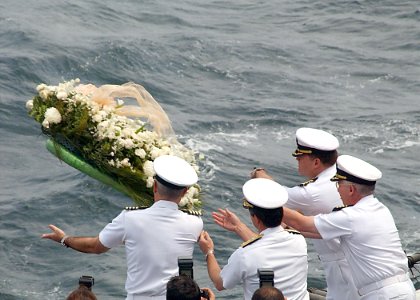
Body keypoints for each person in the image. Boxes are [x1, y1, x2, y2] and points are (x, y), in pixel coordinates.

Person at [42, 155, 204, 300]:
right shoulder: (195, 223)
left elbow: (95, 246)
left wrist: (64, 239)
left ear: (154, 186)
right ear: (185, 192)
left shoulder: (130, 219)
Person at [282, 154, 416, 300]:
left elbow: (301, 223)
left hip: (383, 295)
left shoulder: (351, 216)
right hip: (404, 289)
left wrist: (269, 203)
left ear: (351, 190)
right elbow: (315, 231)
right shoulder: (380, 209)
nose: (338, 190)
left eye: (338, 185)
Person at [250, 127, 359, 300]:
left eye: (300, 157)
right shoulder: (342, 177)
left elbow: (274, 196)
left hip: (342, 268)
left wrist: (258, 174)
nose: (297, 161)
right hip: (356, 261)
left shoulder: (313, 191)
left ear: (316, 162)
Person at [199, 178, 309, 300]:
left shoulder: (245, 254)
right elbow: (266, 245)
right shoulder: (299, 240)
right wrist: (238, 227)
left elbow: (220, 283)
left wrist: (209, 252)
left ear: (256, 219)